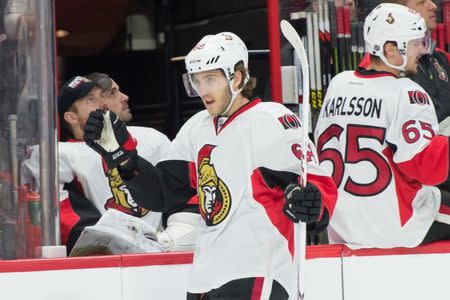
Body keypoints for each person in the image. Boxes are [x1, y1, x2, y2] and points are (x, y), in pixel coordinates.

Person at [83, 32, 337, 299]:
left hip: (260, 270)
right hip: (206, 277)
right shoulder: (197, 127)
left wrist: (312, 203)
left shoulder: (272, 120)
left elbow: (319, 188)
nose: (202, 90)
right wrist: (122, 157)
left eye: (210, 79)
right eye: (196, 80)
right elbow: (162, 194)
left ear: (237, 77)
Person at [301, 3, 450, 249]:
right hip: (395, 225)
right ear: (391, 49)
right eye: (415, 44)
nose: (421, 51)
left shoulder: (338, 84)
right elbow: (427, 169)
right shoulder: (408, 92)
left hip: (342, 225)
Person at [22, 75, 198, 255]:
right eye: (91, 99)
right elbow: (66, 218)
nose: (103, 103)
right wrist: (106, 243)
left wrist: (172, 238)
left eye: (103, 96)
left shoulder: (152, 138)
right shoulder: (57, 154)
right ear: (71, 117)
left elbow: (181, 190)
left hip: (163, 250)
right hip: (104, 260)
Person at [364, 0, 449, 128]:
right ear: (398, 13)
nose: (433, 6)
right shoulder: (378, 65)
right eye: (422, 2)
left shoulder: (441, 57)